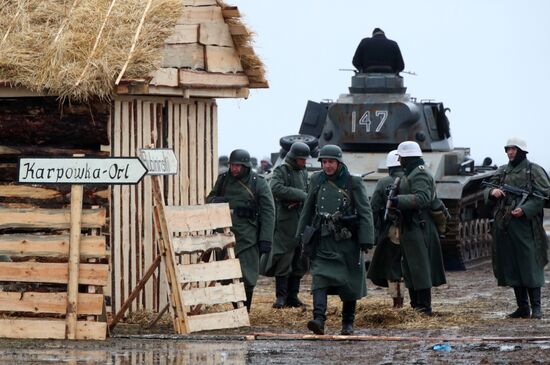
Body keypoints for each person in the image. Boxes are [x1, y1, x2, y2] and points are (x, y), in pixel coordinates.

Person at [297, 144, 374, 335]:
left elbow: (365, 212)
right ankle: (319, 319)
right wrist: (301, 236)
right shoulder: (316, 180)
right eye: (324, 162)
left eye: (331, 162)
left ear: (339, 162)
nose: (327, 166)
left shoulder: (352, 182)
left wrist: (366, 238)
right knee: (320, 278)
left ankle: (347, 323)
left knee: (349, 283)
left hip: (347, 242)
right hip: (323, 240)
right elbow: (307, 209)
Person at [483, 137, 550, 319]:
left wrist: (525, 209)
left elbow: (543, 196)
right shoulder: (502, 171)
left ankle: (536, 308)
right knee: (512, 265)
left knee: (530, 265)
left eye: (513, 149)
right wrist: (492, 192)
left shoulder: (533, 170)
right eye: (508, 149)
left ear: (521, 151)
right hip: (505, 224)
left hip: (526, 225)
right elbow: (486, 190)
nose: (510, 152)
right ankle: (522, 307)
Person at [206, 149, 275, 312]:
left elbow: (268, 211)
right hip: (225, 234)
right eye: (232, 165)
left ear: (245, 166)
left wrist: (266, 239)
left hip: (248, 236)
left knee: (247, 275)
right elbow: (209, 199)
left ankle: (244, 310)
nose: (234, 169)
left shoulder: (258, 182)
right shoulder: (223, 180)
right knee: (228, 275)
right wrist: (217, 200)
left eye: (238, 166)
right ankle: (236, 308)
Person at [389, 141, 446, 315]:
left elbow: (422, 199)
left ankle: (424, 307)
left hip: (419, 225)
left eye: (401, 157)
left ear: (407, 157)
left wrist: (398, 201)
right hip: (410, 225)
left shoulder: (419, 174)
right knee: (410, 267)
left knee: (420, 267)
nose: (399, 160)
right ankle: (416, 306)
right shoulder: (410, 173)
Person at [263, 142, 310, 309]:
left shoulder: (303, 172)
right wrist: (301, 195)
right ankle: (281, 297)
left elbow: (308, 190)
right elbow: (274, 188)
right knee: (284, 259)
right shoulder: (281, 170)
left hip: (301, 220)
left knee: (299, 259)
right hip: (286, 222)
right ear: (294, 158)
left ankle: (293, 296)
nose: (305, 162)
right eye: (302, 159)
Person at [366, 150, 405, 308]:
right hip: (413, 229)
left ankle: (397, 303)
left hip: (392, 231)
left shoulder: (383, 183)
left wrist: (375, 232)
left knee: (393, 267)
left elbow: (373, 208)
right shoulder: (412, 179)